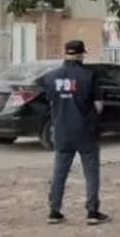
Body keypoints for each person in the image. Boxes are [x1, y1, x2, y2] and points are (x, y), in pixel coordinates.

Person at [44, 40, 109, 225]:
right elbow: (98, 105)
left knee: (59, 172)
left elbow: (50, 103)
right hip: (85, 131)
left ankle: (54, 211)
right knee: (91, 172)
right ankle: (92, 212)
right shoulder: (89, 76)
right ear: (81, 55)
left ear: (65, 53)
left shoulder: (50, 77)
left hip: (61, 131)